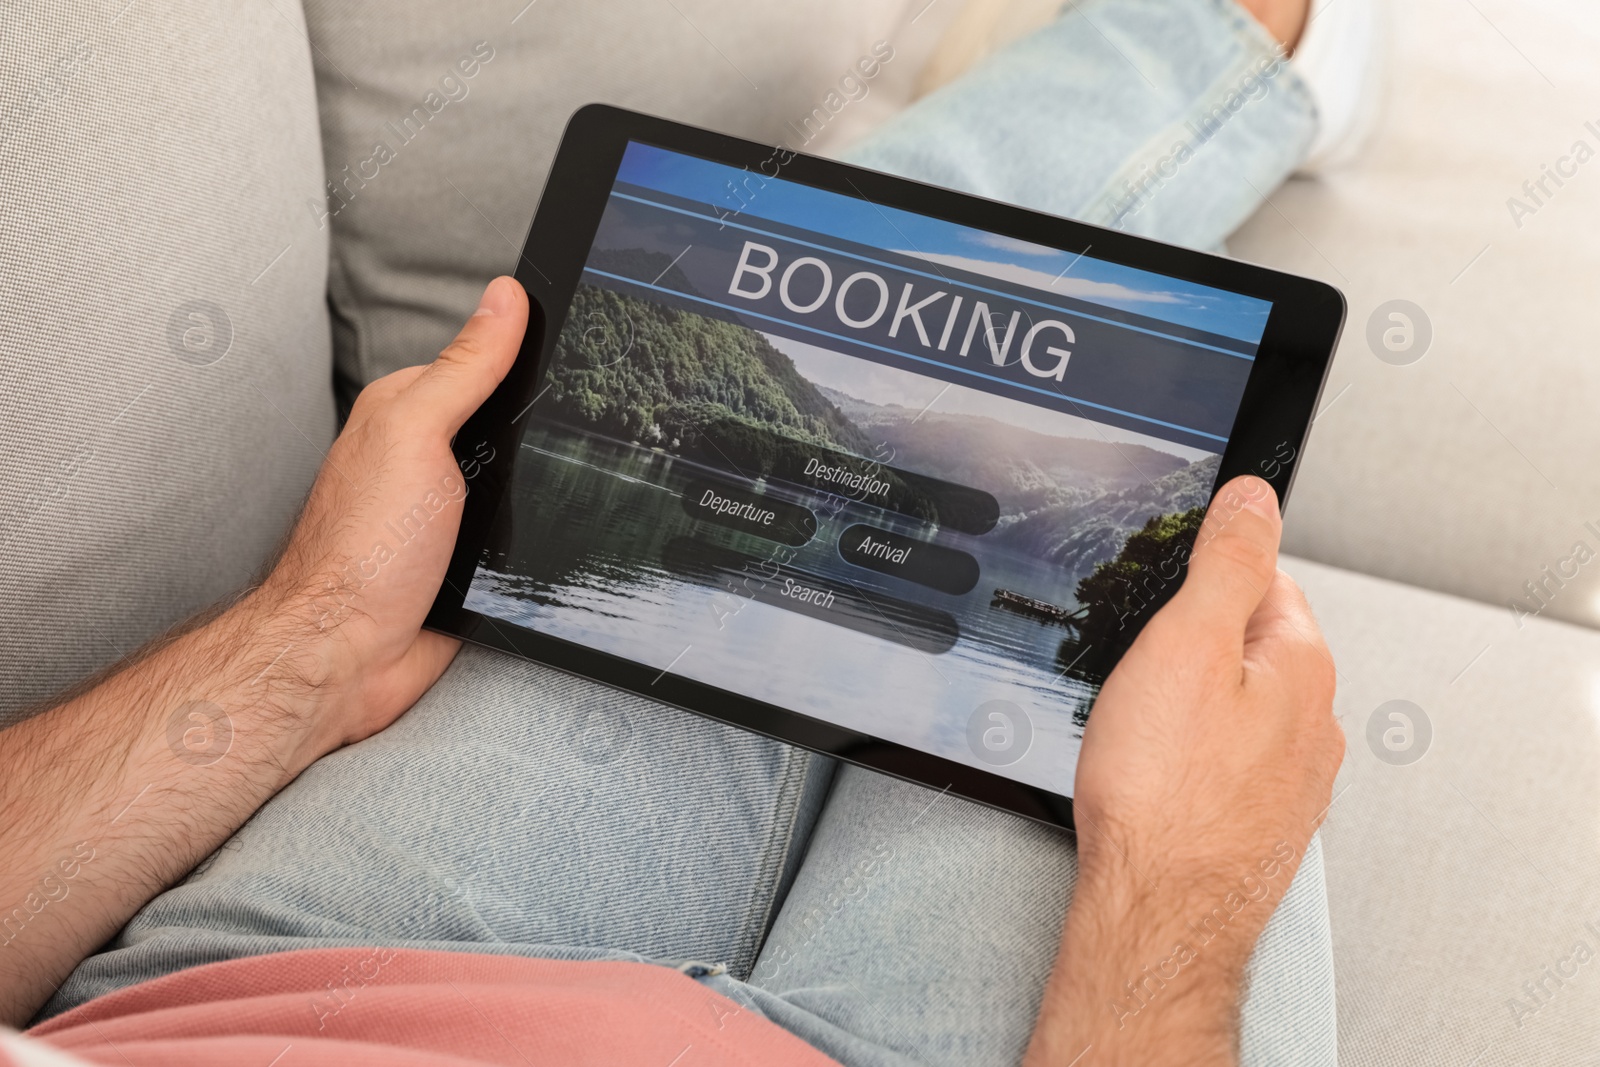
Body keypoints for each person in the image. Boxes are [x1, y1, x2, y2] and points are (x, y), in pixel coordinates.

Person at [0, 0, 1358, 1063]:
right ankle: (1237, 39)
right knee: (1196, 640)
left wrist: (305, 647)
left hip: (265, 1004)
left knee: (885, 257)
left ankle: (1225, 38)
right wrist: (1170, 916)